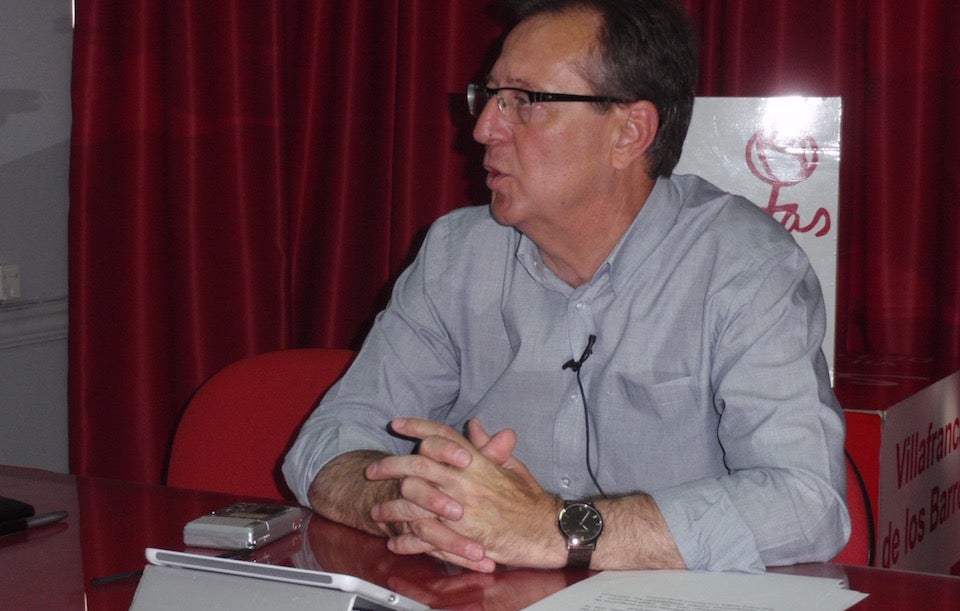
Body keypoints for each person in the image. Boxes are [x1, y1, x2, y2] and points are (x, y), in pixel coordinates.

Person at [283, 0, 850, 574]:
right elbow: (328, 441)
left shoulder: (744, 267)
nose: (482, 129)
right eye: (490, 97)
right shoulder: (456, 255)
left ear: (629, 133)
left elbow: (807, 505)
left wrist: (554, 528)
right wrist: (414, 504)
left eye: (524, 101)